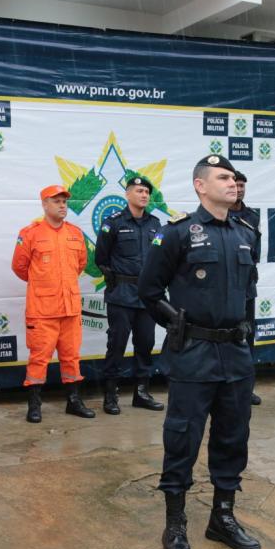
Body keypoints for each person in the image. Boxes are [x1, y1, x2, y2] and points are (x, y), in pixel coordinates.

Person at [138, 154, 261, 549]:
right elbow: (149, 291)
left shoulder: (246, 233)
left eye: (234, 178)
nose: (232, 183)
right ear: (200, 186)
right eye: (223, 177)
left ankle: (222, 517)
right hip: (194, 354)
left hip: (236, 354)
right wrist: (175, 326)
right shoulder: (177, 233)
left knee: (233, 438)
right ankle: (175, 523)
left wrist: (247, 337)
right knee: (183, 437)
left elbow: (248, 294)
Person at [11, 185, 94, 423]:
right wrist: (43, 284)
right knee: (39, 359)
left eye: (64, 201)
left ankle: (73, 401)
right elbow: (19, 267)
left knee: (71, 357)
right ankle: (34, 405)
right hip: (43, 311)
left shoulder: (75, 234)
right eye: (56, 201)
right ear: (44, 204)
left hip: (70, 309)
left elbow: (80, 264)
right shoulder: (30, 233)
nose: (62, 205)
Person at [94, 175, 164, 415]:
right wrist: (113, 280)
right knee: (117, 346)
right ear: (127, 194)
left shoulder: (156, 224)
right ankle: (111, 395)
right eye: (139, 190)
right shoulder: (112, 223)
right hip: (121, 295)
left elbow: (161, 259)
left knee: (145, 344)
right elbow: (101, 259)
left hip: (147, 298)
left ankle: (141, 393)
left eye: (147, 191)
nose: (144, 195)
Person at [232, 171, 262, 406]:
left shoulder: (251, 216)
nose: (239, 189)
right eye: (235, 184)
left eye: (242, 185)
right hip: (224, 287)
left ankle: (246, 387)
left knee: (247, 336)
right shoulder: (217, 213)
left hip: (246, 286)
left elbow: (255, 252)